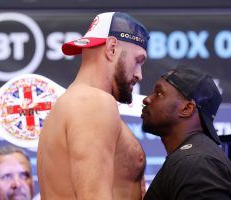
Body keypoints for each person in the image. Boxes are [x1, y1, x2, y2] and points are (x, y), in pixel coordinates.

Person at [37, 12, 149, 199]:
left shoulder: (72, 102)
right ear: (112, 48)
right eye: (138, 61)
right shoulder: (93, 103)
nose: (139, 75)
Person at [141, 65, 231, 200]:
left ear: (187, 108)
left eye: (159, 93)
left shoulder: (198, 164)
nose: (146, 99)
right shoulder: (193, 159)